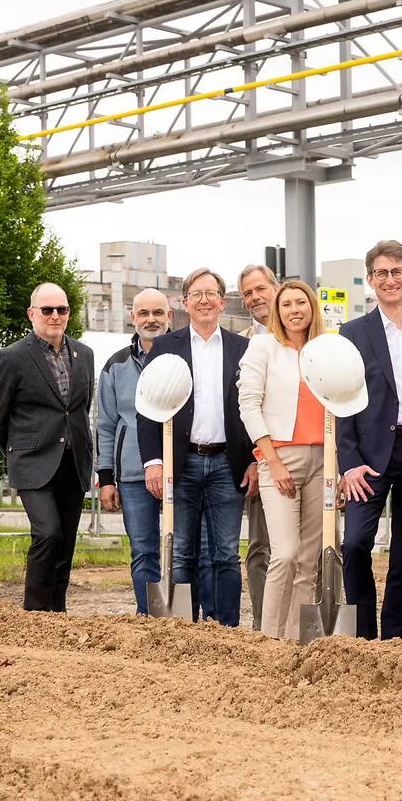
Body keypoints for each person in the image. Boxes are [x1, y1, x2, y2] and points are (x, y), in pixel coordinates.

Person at [336, 241, 402, 640]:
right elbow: (341, 399)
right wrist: (348, 462)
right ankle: (363, 634)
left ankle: (394, 635)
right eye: (381, 273)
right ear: (370, 281)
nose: (389, 279)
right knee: (356, 545)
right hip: (370, 456)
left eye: (396, 271)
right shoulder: (352, 333)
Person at [137, 267, 256, 626]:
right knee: (182, 552)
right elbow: (147, 407)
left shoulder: (242, 348)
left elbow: (253, 406)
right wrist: (153, 461)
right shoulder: (165, 346)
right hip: (181, 463)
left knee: (225, 554)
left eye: (211, 294)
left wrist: (253, 459)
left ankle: (225, 628)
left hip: (227, 463)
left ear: (223, 301)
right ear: (184, 302)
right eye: (196, 294)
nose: (204, 301)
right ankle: (182, 629)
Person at [0, 283, 96, 612]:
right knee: (47, 533)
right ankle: (34, 615)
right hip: (33, 463)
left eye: (62, 309)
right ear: (32, 314)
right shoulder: (11, 357)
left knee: (65, 541)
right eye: (47, 310)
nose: (55, 316)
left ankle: (56, 613)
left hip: (74, 462)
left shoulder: (84, 355)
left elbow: (79, 408)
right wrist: (19, 449)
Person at [238, 280, 328, 639]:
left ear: (312, 308)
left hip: (322, 458)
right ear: (278, 309)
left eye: (301, 302)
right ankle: (270, 639)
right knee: (285, 554)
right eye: (287, 303)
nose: (295, 310)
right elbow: (249, 404)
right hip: (280, 458)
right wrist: (271, 461)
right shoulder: (263, 347)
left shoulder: (325, 349)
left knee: (309, 560)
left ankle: (297, 641)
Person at [95, 288, 170, 614]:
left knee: (183, 550)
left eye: (157, 313)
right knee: (143, 550)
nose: (151, 320)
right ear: (133, 317)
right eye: (144, 313)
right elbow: (107, 425)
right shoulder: (116, 366)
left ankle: (184, 620)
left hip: (179, 471)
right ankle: (150, 616)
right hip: (131, 474)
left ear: (169, 316)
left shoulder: (184, 357)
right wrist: (106, 478)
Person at [237, 263, 277, 630]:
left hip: (307, 455)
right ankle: (265, 624)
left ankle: (310, 623)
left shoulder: (312, 334)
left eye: (260, 289)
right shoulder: (242, 343)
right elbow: (242, 410)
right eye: (247, 293)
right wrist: (252, 458)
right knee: (260, 546)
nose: (255, 298)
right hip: (261, 460)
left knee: (317, 546)